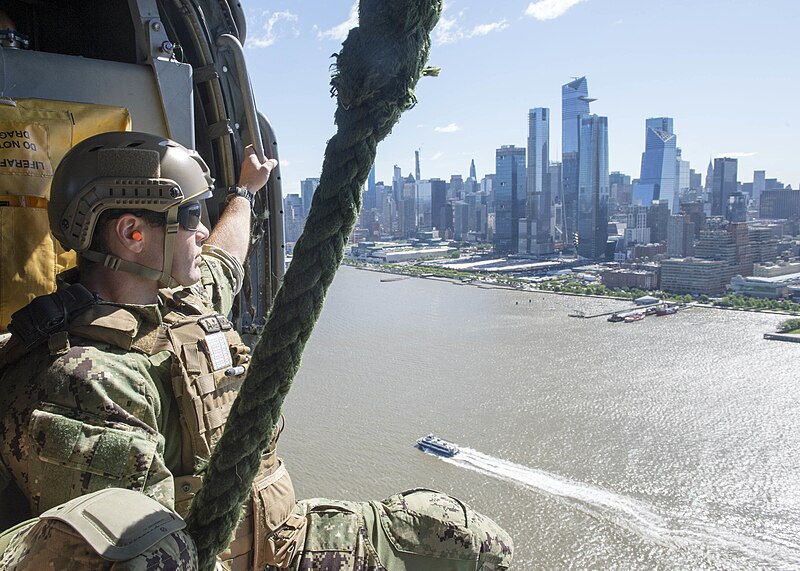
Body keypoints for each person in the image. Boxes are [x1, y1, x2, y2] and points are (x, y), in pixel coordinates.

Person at [0, 131, 512, 570]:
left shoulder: (181, 300)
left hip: (285, 537)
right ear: (133, 234)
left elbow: (226, 255)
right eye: (191, 214)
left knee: (468, 539)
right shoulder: (86, 382)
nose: (202, 229)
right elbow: (143, 555)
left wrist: (246, 190)